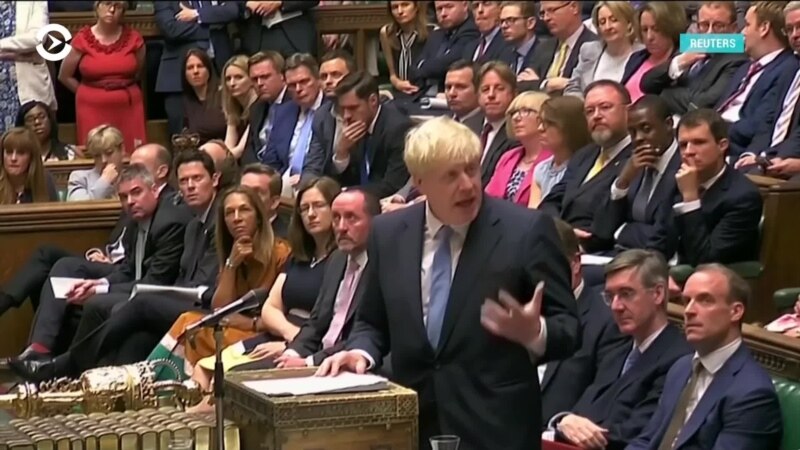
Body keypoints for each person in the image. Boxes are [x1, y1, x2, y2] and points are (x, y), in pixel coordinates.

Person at [316, 116, 579, 450]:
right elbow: (372, 321)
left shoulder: (526, 231)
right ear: (420, 181)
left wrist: (535, 333)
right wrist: (359, 352)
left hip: (494, 429)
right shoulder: (388, 233)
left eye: (471, 169)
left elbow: (569, 328)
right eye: (451, 175)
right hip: (412, 425)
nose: (467, 185)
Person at [10, 150, 225, 382]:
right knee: (111, 314)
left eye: (197, 178)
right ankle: (82, 378)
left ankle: (62, 367)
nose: (190, 186)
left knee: (130, 304)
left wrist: (102, 288)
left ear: (214, 179)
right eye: (184, 181)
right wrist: (99, 284)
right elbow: (130, 269)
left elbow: (189, 284)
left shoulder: (191, 221)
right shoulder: (191, 225)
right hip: (177, 297)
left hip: (203, 306)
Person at [187, 177, 340, 407]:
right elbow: (271, 307)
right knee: (203, 368)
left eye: (318, 206)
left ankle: (185, 424)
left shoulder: (340, 260)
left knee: (223, 384)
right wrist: (289, 335)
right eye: (304, 208)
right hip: (282, 333)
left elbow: (335, 323)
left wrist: (294, 344)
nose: (310, 214)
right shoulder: (298, 257)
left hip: (306, 342)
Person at [545, 249, 692, 450]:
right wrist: (562, 420)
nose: (615, 306)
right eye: (610, 296)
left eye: (626, 294)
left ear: (658, 294)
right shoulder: (618, 348)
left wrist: (566, 429)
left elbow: (637, 432)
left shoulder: (679, 359)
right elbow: (582, 409)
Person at [627, 264, 782, 450]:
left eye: (705, 300)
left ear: (735, 312)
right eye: (686, 301)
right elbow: (646, 440)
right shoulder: (681, 368)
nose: (689, 310)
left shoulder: (752, 393)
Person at [146, 186, 291, 378]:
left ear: (258, 217)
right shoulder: (233, 251)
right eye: (229, 213)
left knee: (193, 330)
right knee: (187, 322)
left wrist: (251, 323)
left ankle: (150, 382)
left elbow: (286, 315)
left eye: (244, 210)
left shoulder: (281, 253)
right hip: (235, 325)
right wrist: (231, 265)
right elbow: (220, 307)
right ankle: (152, 381)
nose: (236, 218)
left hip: (264, 333)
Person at [273, 187, 381, 369]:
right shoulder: (336, 259)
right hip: (318, 357)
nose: (341, 227)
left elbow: (361, 334)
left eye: (351, 218)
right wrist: (292, 353)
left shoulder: (382, 267)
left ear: (375, 222)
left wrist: (309, 362)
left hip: (351, 363)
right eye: (336, 218)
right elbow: (316, 322)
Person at [540, 218, 627, 424]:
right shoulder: (515, 307)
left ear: (576, 264)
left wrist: (559, 423)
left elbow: (600, 396)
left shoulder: (608, 322)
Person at [648, 108, 762, 266]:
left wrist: (690, 199)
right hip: (665, 273)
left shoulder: (743, 197)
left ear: (722, 145)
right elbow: (656, 243)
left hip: (709, 277)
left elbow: (706, 260)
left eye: (699, 142)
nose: (688, 152)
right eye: (683, 145)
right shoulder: (676, 181)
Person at [302, 71, 412, 198]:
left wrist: (345, 193)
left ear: (373, 101)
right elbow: (343, 178)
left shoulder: (398, 128)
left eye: (353, 108)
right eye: (343, 109)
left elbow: (392, 185)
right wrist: (342, 153)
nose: (346, 116)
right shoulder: (357, 125)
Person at [593, 95, 681, 253]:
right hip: (618, 255)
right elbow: (601, 231)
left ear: (668, 124)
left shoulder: (684, 165)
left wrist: (622, 231)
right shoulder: (631, 164)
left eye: (646, 129)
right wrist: (623, 182)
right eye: (632, 132)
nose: (638, 138)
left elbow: (666, 239)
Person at [58, 0, 147, 152]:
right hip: (91, 108)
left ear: (123, 11)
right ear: (97, 7)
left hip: (128, 107)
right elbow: (64, 76)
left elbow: (138, 72)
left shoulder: (134, 38)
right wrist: (87, 93)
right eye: (107, 3)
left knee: (131, 152)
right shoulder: (82, 39)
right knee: (96, 151)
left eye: (117, 6)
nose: (111, 10)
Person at [154, 1, 239, 137]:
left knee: (228, 125)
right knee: (182, 136)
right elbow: (171, 29)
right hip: (178, 77)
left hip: (220, 69)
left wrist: (198, 14)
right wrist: (212, 26)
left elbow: (233, 11)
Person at [485, 91, 552, 207]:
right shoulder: (508, 157)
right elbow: (488, 197)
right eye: (513, 113)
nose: (516, 118)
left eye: (526, 111)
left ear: (544, 117)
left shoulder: (553, 160)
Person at [564, 1, 643, 98]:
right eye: (602, 22)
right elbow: (572, 87)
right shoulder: (589, 50)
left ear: (629, 23)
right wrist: (587, 104)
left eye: (614, 20)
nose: (607, 27)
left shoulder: (642, 54)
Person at [0, 1, 56, 133]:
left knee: (31, 140)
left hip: (27, 87)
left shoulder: (34, 2)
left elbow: (37, 38)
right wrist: (19, 53)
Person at [533, 95, 591, 201]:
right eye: (540, 122)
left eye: (549, 123)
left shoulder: (586, 169)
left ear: (570, 126)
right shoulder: (541, 169)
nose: (540, 128)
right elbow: (533, 209)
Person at [380, 1, 430, 96]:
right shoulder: (387, 33)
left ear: (416, 7)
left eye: (405, 5)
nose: (400, 11)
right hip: (399, 92)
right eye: (395, 7)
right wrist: (398, 83)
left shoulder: (432, 32)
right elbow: (392, 75)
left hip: (424, 92)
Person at [67, 124, 125, 201]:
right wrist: (104, 181)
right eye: (97, 156)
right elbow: (79, 206)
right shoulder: (79, 178)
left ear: (122, 150)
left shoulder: (133, 176)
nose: (103, 160)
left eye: (109, 153)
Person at [0, 127, 58, 204]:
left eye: (21, 153)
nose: (13, 158)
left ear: (31, 157)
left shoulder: (45, 180)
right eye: (9, 152)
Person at [182, 48, 227, 144]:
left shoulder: (223, 94)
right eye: (190, 68)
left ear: (209, 70)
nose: (195, 71)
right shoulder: (187, 101)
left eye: (200, 66)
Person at [239, 163, 290, 238]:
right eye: (243, 191)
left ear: (274, 202)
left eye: (256, 192)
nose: (246, 198)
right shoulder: (228, 230)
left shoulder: (285, 240)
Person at [221, 55, 258, 159]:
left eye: (238, 77)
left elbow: (240, 150)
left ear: (251, 79)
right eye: (228, 79)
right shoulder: (233, 107)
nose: (232, 83)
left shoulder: (258, 107)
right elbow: (228, 147)